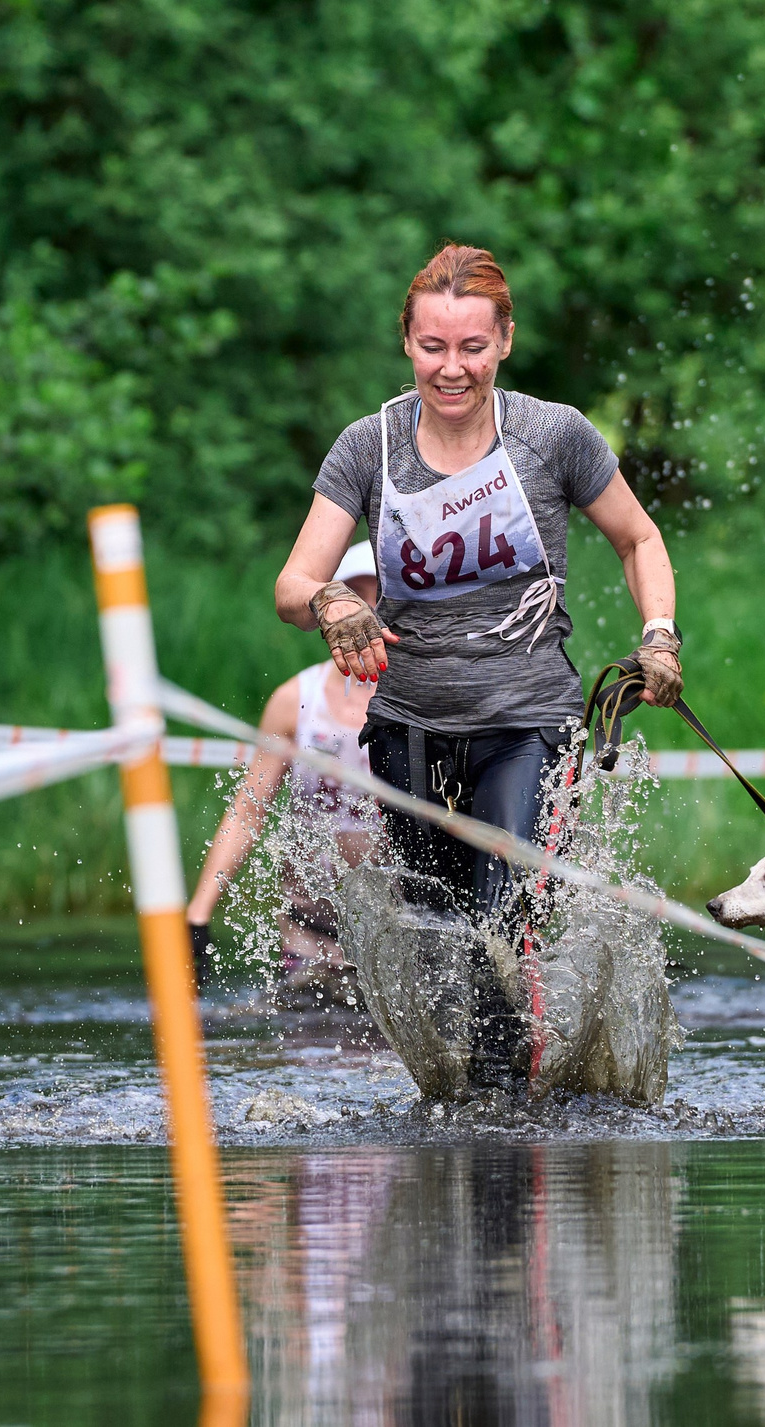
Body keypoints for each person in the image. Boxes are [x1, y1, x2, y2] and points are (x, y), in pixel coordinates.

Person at [274, 243, 681, 1090]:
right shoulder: (369, 446)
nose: (451, 368)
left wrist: (660, 634)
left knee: (503, 916)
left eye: (470, 347)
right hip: (410, 722)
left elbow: (638, 537)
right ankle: (472, 1096)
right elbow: (293, 582)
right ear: (407, 344)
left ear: (504, 342)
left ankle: (507, 1116)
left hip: (526, 720)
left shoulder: (553, 434)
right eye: (432, 347)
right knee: (435, 931)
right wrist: (333, 603)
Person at [186, 543, 382, 1001]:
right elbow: (248, 811)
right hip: (306, 928)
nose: (366, 611)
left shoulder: (426, 706)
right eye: (354, 596)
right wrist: (198, 914)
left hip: (391, 929)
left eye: (380, 595)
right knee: (304, 1047)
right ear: (330, 613)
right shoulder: (295, 700)